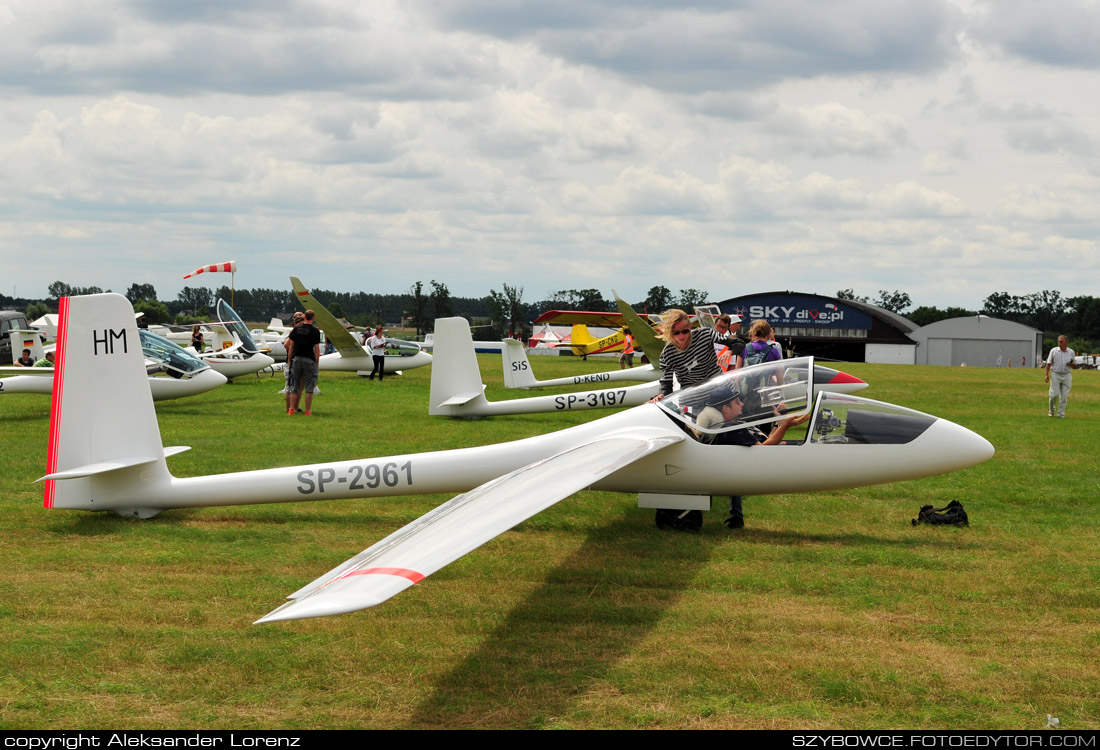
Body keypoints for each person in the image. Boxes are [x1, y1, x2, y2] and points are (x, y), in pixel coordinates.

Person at [696, 383, 811, 528]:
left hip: (739, 470)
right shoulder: (731, 429)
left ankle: (737, 516)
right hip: (750, 469)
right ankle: (736, 516)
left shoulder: (733, 424)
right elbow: (763, 450)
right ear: (726, 408)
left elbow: (765, 440)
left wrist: (778, 423)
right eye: (737, 402)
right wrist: (786, 425)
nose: (742, 403)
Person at [651, 309, 741, 403]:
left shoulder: (706, 334)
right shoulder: (667, 354)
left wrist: (730, 351)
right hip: (695, 401)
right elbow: (667, 383)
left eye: (685, 331)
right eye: (676, 332)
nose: (681, 336)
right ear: (669, 332)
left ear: (690, 327)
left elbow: (738, 343)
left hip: (723, 393)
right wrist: (662, 394)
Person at [285, 310, 321, 415]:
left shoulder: (296, 329)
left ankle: (291, 409)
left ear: (304, 317)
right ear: (313, 318)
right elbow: (317, 349)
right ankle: (307, 411)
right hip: (309, 360)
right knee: (309, 387)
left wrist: (289, 360)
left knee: (295, 385)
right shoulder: (315, 331)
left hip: (296, 359)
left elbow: (291, 346)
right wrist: (316, 363)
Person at [1045, 335, 1076, 418]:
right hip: (1056, 374)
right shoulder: (1054, 351)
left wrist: (1071, 364)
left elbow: (1074, 364)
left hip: (1067, 375)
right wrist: (1046, 375)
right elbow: (1048, 363)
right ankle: (1051, 411)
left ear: (1066, 342)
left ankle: (1060, 414)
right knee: (1054, 395)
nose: (1059, 343)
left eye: (1061, 341)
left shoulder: (1071, 352)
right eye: (1058, 341)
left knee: (1064, 396)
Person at [282, 312, 305, 412]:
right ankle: (290, 408)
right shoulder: (294, 331)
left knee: (299, 387)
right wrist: (294, 353)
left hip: (296, 361)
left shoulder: (297, 331)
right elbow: (286, 344)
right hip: (293, 361)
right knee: (291, 386)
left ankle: (295, 407)